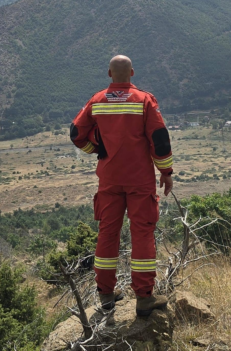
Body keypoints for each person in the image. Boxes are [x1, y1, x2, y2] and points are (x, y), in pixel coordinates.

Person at [70, 54, 174, 317]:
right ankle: (144, 298)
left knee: (108, 233)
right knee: (142, 234)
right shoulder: (144, 101)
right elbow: (159, 140)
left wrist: (96, 149)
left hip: (110, 179)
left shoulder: (97, 100)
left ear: (109, 74)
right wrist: (166, 172)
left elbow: (75, 133)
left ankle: (106, 294)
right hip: (140, 180)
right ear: (132, 73)